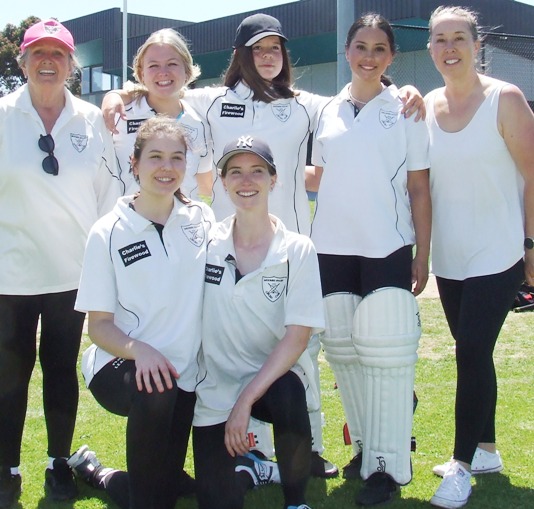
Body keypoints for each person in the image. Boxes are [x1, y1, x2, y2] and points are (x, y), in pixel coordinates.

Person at [101, 12, 425, 479]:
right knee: (236, 346)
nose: (268, 57)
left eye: (275, 48)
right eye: (258, 49)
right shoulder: (213, 102)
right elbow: (164, 89)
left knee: (304, 348)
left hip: (294, 248)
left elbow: (360, 92)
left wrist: (403, 90)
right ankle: (250, 448)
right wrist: (119, 92)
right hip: (230, 249)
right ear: (242, 55)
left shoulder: (307, 105)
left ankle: (306, 448)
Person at [307, 13, 431, 506]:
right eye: (361, 46)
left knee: (387, 355)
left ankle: (388, 465)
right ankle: (363, 447)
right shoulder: (329, 110)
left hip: (388, 246)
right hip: (332, 247)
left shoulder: (406, 109)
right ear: (346, 50)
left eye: (380, 48)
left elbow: (419, 188)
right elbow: (323, 174)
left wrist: (424, 253)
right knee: (345, 352)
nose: (369, 56)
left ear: (391, 57)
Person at [0, 19, 121, 507]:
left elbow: (110, 198)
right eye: (38, 53)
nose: (48, 62)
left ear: (72, 65)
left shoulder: (94, 120)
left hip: (73, 275)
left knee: (59, 370)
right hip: (10, 274)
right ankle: (7, 471)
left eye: (58, 54)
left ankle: (58, 462)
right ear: (23, 62)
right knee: (9, 374)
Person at [67, 115, 214, 509]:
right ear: (134, 164)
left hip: (185, 372)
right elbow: (98, 327)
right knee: (154, 494)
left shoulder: (202, 220)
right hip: (120, 364)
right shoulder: (108, 231)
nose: (167, 168)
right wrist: (142, 350)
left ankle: (96, 472)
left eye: (176, 158)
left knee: (166, 484)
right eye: (155, 157)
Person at [424, 6, 534, 509]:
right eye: (440, 39)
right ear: (430, 49)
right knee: (476, 354)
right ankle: (487, 450)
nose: (450, 48)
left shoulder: (505, 100)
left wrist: (531, 246)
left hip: (500, 253)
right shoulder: (424, 104)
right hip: (449, 259)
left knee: (468, 353)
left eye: (459, 38)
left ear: (477, 44)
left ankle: (462, 465)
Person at [193, 135, 323, 509]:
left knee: (288, 392)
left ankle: (296, 501)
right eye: (235, 172)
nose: (246, 181)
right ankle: (257, 467)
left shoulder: (297, 248)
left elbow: (297, 337)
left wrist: (247, 400)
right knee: (216, 501)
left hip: (270, 382)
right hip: (215, 387)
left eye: (256, 172)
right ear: (222, 181)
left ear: (273, 179)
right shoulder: (206, 243)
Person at [112, 28, 212, 200]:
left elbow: (205, 184)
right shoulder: (119, 116)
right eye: (153, 65)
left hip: (183, 223)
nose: (163, 72)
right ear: (141, 72)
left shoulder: (199, 122)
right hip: (132, 224)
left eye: (172, 64)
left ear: (186, 70)